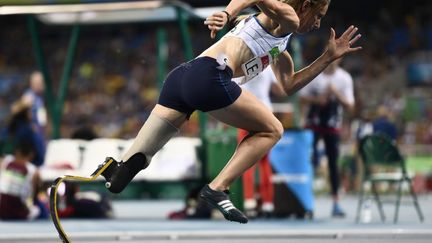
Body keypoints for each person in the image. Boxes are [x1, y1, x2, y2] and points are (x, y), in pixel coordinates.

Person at [95, 0, 361, 223]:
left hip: (181, 78)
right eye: (318, 16)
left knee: (134, 164)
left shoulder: (281, 44)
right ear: (306, 6)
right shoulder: (288, 17)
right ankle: (217, 188)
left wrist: (327, 58)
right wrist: (226, 13)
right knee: (273, 130)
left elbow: (289, 85)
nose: (317, 24)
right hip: (210, 76)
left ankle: (115, 173)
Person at [299, 58, 355, 217]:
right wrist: (318, 99)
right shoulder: (314, 73)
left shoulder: (344, 78)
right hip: (313, 124)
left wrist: (335, 92)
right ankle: (306, 202)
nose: (332, 61)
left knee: (333, 164)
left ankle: (336, 203)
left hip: (332, 125)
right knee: (309, 162)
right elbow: (301, 98)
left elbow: (350, 106)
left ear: (340, 59)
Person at [234, 67, 285, 218]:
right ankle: (268, 204)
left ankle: (250, 203)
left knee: (245, 161)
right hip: (265, 114)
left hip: (246, 115)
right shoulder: (268, 66)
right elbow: (281, 91)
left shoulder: (240, 66)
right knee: (264, 162)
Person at [0, 140, 42, 220]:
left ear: (16, 151)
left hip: (2, 208)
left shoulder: (5, 161)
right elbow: (33, 195)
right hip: (18, 211)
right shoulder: (33, 171)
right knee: (39, 210)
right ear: (31, 155)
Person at [0, 101, 46, 167]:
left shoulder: (6, 129)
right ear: (26, 114)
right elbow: (40, 157)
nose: (32, 114)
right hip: (26, 167)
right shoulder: (29, 131)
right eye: (30, 111)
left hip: (6, 166)